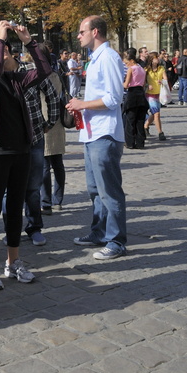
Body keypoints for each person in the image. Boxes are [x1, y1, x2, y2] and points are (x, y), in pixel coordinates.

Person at [0, 21, 51, 289]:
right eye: (0, 49)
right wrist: (1, 38)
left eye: (7, 49)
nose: (6, 52)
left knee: (16, 209)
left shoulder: (17, 79)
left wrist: (29, 42)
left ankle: (13, 262)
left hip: (21, 150)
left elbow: (45, 70)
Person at [67, 15, 127, 260]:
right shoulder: (95, 59)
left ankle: (116, 241)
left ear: (96, 32)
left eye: (82, 31)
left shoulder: (109, 58)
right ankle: (99, 232)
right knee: (94, 189)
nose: (79, 35)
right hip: (92, 132)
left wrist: (83, 104)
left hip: (106, 132)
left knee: (109, 190)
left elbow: (115, 98)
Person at [18, 43, 60, 246]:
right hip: (9, 140)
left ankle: (34, 227)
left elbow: (52, 95)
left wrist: (50, 122)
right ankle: (12, 229)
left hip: (34, 136)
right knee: (10, 190)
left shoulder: (29, 72)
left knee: (33, 187)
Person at [41, 50, 67, 215]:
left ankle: (46, 202)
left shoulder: (41, 77)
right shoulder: (57, 75)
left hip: (44, 122)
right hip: (57, 122)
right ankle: (57, 200)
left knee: (45, 165)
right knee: (57, 163)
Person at [122, 49, 148, 149]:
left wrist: (120, 83)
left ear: (132, 61)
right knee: (140, 120)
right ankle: (140, 142)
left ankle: (130, 143)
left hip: (132, 94)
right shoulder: (142, 69)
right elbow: (144, 83)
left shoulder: (131, 69)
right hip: (141, 93)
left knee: (130, 120)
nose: (126, 65)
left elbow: (126, 84)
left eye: (127, 63)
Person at [143, 53, 166, 141]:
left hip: (159, 94)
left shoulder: (161, 68)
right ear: (152, 60)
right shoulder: (146, 70)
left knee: (154, 113)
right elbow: (143, 81)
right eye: (156, 58)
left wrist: (162, 81)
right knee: (157, 113)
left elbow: (166, 79)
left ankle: (145, 126)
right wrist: (147, 85)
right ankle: (160, 132)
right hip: (150, 94)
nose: (158, 59)